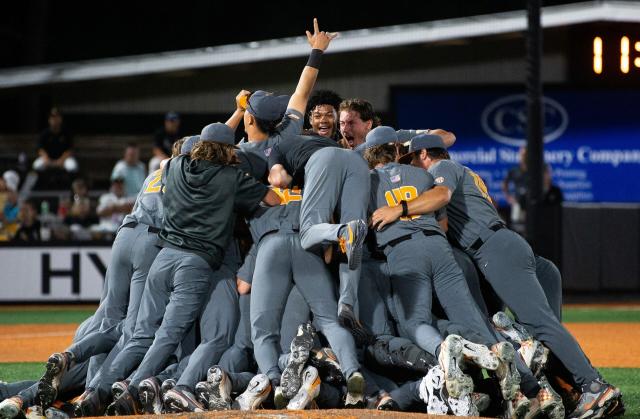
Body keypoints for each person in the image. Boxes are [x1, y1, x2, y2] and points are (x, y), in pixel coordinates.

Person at [371, 134, 623, 419]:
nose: (413, 167)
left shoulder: (442, 168)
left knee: (540, 325)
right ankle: (581, 388)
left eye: (414, 159)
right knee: (534, 327)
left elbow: (441, 196)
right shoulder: (463, 172)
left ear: (426, 154)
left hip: (492, 248)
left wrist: (399, 209)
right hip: (500, 246)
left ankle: (593, 386)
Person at [76, 122, 280, 416]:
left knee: (141, 335)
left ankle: (97, 390)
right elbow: (271, 199)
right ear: (227, 151)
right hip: (194, 263)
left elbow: (168, 160)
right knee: (169, 335)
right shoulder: (231, 177)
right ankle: (131, 390)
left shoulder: (175, 166)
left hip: (162, 259)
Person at [33, 108, 78, 173]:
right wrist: (46, 159)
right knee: (36, 166)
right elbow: (40, 149)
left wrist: (61, 160)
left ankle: (69, 183)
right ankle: (42, 182)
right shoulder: (45, 133)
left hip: (64, 159)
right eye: (53, 117)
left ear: (61, 119)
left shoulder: (66, 133)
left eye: (57, 117)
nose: (55, 119)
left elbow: (70, 150)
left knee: (72, 167)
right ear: (49, 119)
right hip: (48, 159)